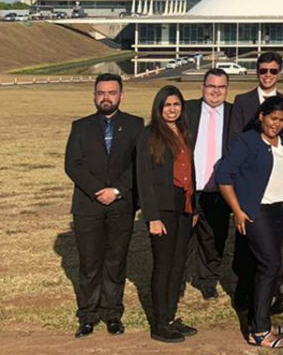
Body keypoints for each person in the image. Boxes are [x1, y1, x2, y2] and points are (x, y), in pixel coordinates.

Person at [65, 74, 144, 338]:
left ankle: (112, 314)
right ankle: (88, 316)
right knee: (89, 263)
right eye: (101, 92)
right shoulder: (81, 126)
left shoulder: (135, 125)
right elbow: (72, 164)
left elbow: (138, 165)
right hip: (88, 206)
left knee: (115, 261)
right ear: (94, 95)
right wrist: (97, 191)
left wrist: (117, 191)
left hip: (121, 206)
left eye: (111, 92)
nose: (106, 97)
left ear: (121, 95)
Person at [217, 97, 283, 348]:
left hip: (279, 211)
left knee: (263, 266)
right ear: (261, 116)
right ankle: (259, 331)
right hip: (255, 212)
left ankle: (258, 320)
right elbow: (223, 175)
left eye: (282, 120)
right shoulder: (247, 141)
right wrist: (237, 211)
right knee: (271, 264)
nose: (277, 124)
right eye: (273, 118)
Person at [230, 52, 283, 312]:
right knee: (247, 245)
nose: (268, 75)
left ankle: (270, 294)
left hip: (277, 189)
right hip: (250, 187)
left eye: (273, 71)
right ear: (257, 71)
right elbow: (235, 140)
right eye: (263, 70)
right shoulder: (243, 101)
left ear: (280, 73)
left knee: (275, 247)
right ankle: (244, 292)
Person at [137, 85, 198, 343]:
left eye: (176, 104)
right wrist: (152, 217)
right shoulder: (149, 135)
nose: (172, 109)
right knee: (163, 266)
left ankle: (171, 317)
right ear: (159, 108)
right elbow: (144, 179)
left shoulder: (185, 132)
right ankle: (159, 323)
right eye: (167, 105)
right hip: (162, 207)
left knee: (177, 265)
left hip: (184, 206)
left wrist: (193, 207)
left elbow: (190, 172)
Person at [184, 67, 236, 300]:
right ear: (203, 87)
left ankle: (208, 280)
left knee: (215, 238)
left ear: (226, 89)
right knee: (183, 237)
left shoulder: (235, 114)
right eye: (211, 86)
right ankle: (179, 281)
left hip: (220, 189)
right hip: (189, 187)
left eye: (221, 87)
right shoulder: (187, 110)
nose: (215, 91)